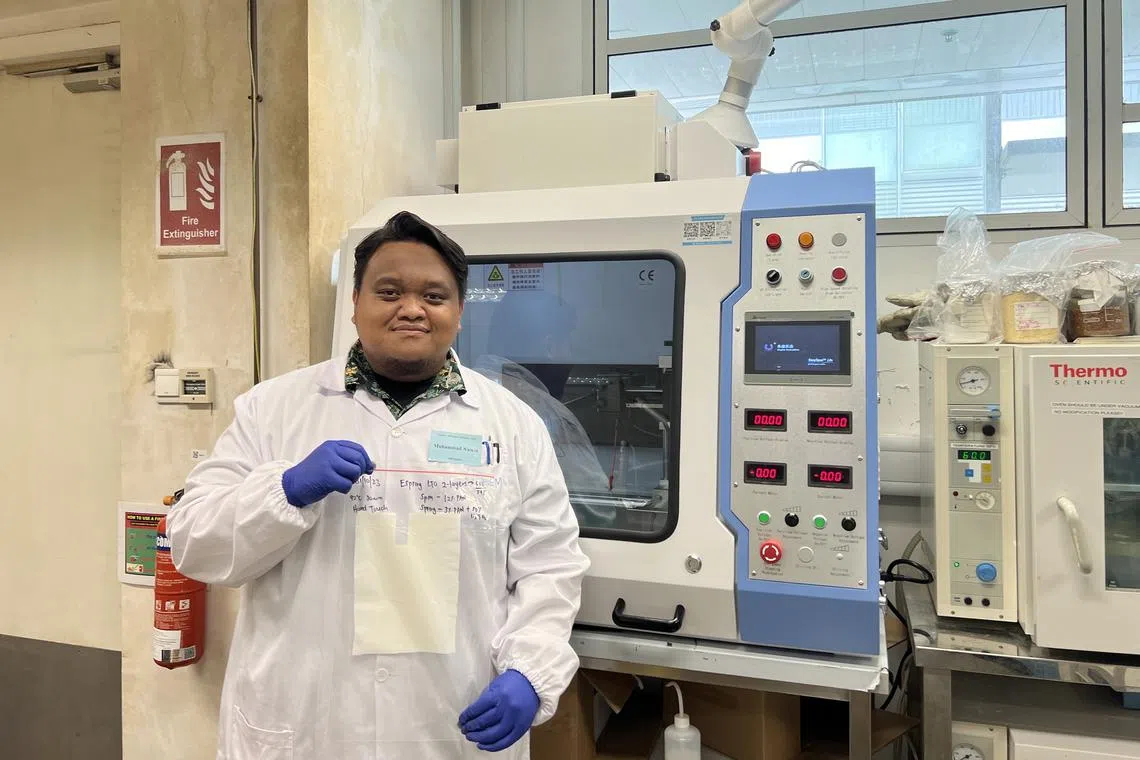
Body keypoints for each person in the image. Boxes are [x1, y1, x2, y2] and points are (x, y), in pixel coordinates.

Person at [166, 210, 591, 760]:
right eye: (389, 291)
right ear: (355, 302)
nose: (412, 309)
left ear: (459, 312)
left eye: (434, 296)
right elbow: (193, 543)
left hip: (449, 721)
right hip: (307, 723)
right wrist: (283, 492)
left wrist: (531, 670)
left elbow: (550, 565)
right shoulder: (272, 410)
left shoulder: (513, 425)